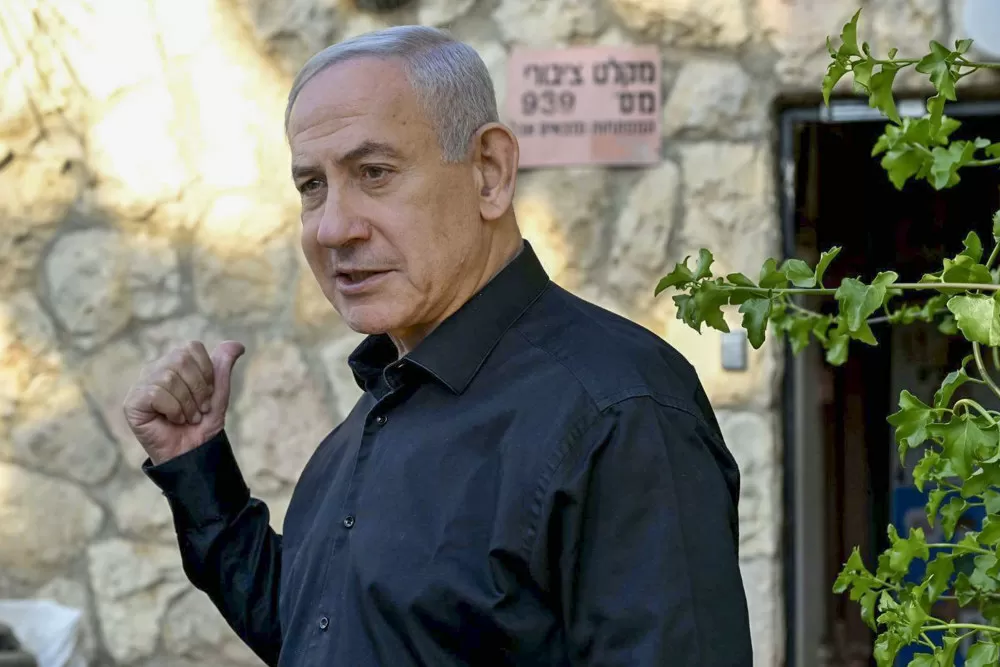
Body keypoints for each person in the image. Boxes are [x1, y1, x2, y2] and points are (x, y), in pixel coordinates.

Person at [123, 25, 753, 667]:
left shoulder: (618, 410)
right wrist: (197, 469)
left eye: (374, 173)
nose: (334, 227)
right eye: (312, 185)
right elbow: (328, 635)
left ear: (489, 172)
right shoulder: (380, 408)